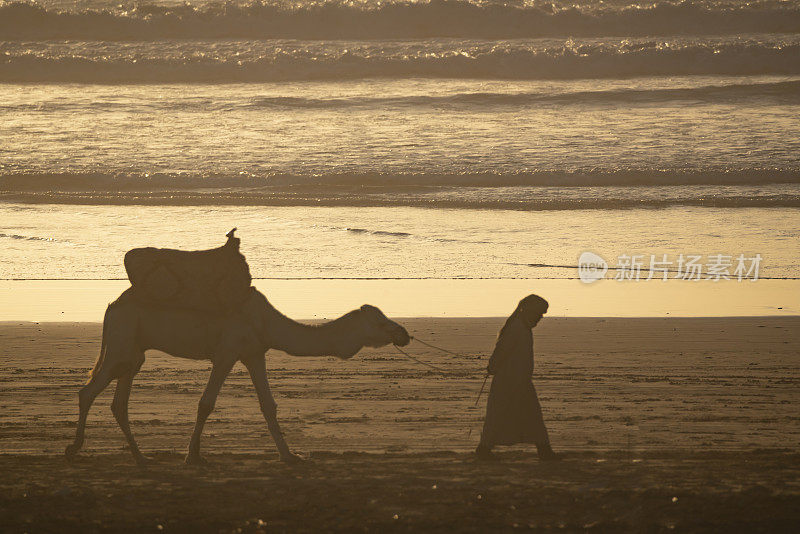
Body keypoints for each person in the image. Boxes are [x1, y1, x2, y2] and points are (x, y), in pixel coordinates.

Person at [476, 294, 559, 461]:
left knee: (528, 415)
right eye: (539, 314)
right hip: (509, 382)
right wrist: (493, 366)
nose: (540, 318)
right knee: (502, 415)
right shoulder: (517, 328)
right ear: (529, 311)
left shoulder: (521, 327)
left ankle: (543, 450)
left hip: (519, 381)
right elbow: (501, 351)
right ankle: (484, 449)